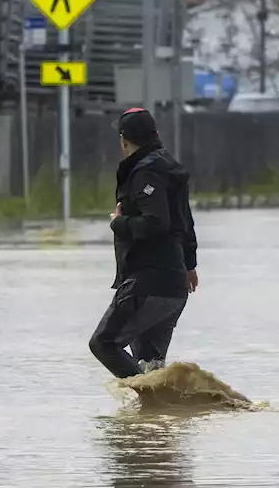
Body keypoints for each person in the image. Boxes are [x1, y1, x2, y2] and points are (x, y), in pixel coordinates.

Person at [88, 107, 199, 378]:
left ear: (124, 140)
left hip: (148, 283)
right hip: (173, 286)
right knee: (151, 365)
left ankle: (152, 402)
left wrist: (118, 222)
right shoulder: (169, 167)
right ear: (156, 135)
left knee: (104, 344)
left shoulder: (144, 173)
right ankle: (158, 415)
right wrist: (189, 265)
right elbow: (185, 220)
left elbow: (156, 223)